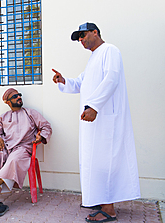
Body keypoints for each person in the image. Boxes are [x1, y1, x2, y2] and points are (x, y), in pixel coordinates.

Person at [52, 22, 140, 222]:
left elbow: (112, 79)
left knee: (105, 161)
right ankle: (100, 200)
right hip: (94, 120)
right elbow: (81, 84)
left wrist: (94, 107)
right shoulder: (93, 59)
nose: (81, 40)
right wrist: (63, 81)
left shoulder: (110, 51)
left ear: (95, 32)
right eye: (79, 38)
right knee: (94, 161)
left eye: (83, 35)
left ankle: (109, 210)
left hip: (106, 119)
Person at [0, 88, 52, 216]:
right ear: (8, 102)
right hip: (6, 147)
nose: (19, 97)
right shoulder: (3, 117)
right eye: (15, 96)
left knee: (14, 160)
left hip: (23, 148)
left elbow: (46, 126)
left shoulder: (30, 113)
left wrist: (41, 137)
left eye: (19, 95)